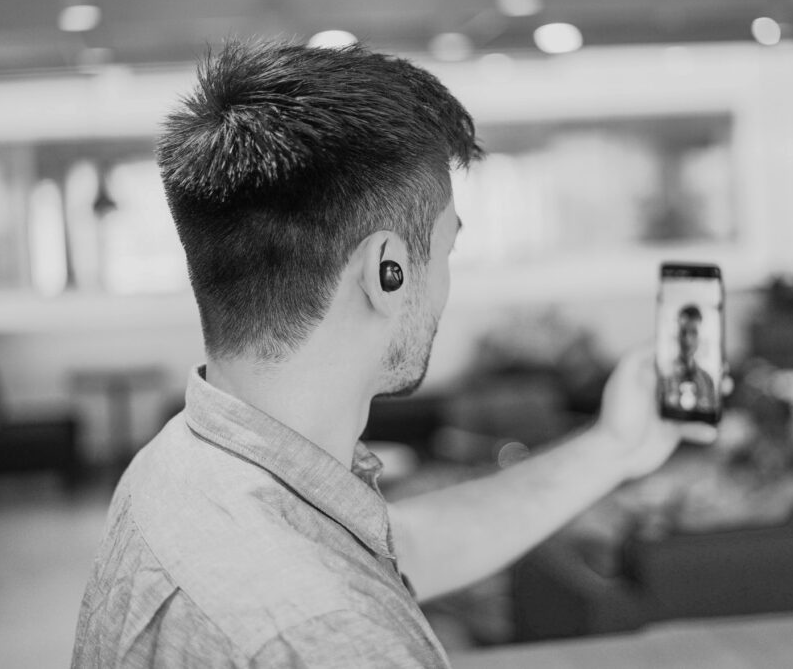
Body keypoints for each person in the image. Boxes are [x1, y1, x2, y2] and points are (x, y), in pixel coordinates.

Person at [71, 40, 714, 668]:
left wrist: (618, 445)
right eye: (447, 251)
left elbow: (402, 551)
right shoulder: (333, 638)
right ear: (389, 271)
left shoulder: (181, 466)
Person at [661, 304, 718, 412]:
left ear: (700, 336)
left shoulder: (707, 380)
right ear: (676, 334)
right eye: (683, 332)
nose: (688, 340)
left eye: (694, 332)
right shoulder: (664, 376)